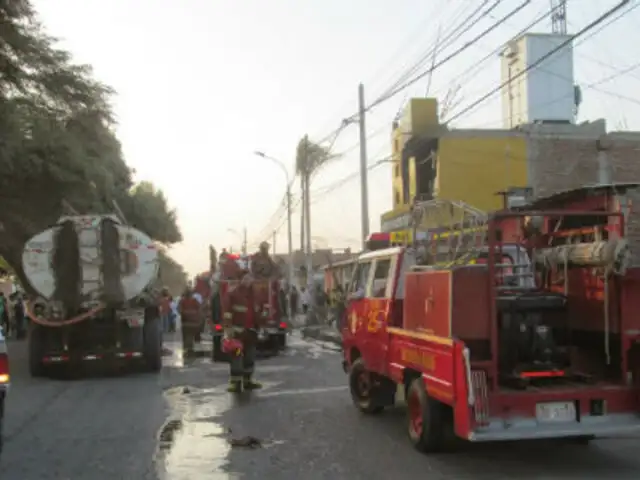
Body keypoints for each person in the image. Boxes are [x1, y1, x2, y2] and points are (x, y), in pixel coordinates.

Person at [221, 272, 262, 393]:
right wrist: (228, 329)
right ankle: (235, 383)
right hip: (237, 332)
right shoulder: (233, 294)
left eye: (250, 278)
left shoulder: (255, 294)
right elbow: (227, 312)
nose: (248, 280)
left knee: (250, 357)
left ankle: (248, 381)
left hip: (251, 332)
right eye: (246, 278)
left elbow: (258, 311)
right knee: (237, 357)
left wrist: (261, 325)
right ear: (241, 280)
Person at [178, 286, 202, 355]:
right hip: (194, 322)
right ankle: (190, 349)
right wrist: (198, 318)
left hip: (185, 322)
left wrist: (185, 312)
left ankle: (187, 349)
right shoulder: (195, 301)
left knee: (186, 336)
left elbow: (179, 310)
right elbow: (199, 310)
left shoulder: (182, 301)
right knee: (190, 335)